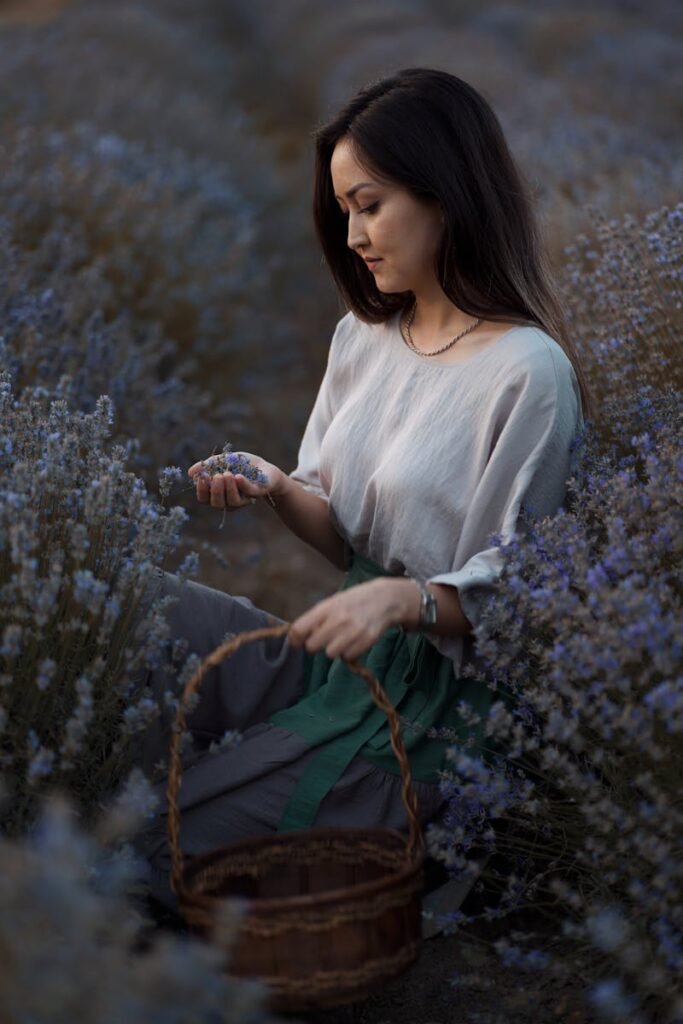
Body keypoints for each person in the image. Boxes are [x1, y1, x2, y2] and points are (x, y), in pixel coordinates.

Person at [133, 67, 589, 914]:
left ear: (447, 195)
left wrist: (403, 602)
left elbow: (523, 591)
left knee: (156, 855)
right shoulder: (364, 337)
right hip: (343, 666)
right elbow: (350, 540)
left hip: (426, 721)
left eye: (369, 204)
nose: (352, 236)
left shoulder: (528, 374)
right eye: (344, 210)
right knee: (125, 606)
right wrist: (275, 486)